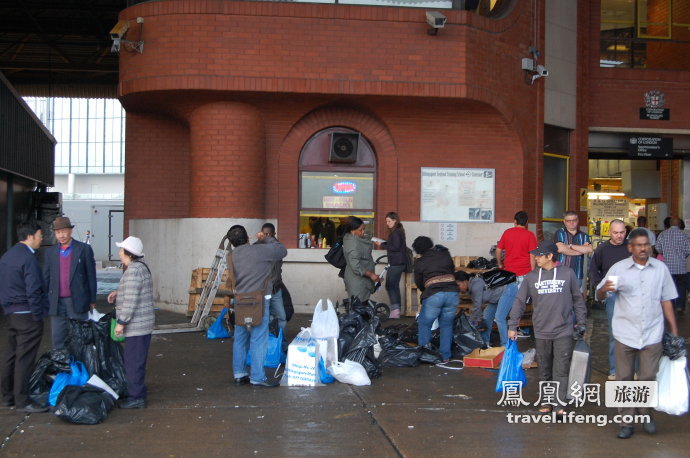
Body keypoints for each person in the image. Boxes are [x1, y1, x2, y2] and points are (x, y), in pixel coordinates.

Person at [596, 228, 679, 439]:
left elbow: (667, 299)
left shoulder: (660, 269)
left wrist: (675, 332)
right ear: (630, 248)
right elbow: (601, 294)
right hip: (625, 333)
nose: (643, 248)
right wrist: (604, 289)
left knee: (648, 377)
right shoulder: (619, 269)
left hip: (652, 333)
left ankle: (646, 414)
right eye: (639, 245)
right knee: (623, 378)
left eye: (647, 245)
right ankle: (626, 422)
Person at [508, 240, 587, 415]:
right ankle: (546, 401)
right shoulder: (531, 277)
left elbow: (578, 300)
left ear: (550, 256)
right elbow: (520, 301)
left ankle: (560, 404)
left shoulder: (568, 274)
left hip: (563, 330)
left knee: (561, 368)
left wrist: (581, 323)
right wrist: (513, 325)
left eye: (539, 255)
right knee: (544, 368)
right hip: (542, 331)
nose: (535, 258)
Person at [0, 221, 50, 413]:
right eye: (39, 235)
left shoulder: (7, 256)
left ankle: (7, 396)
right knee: (25, 358)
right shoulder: (28, 259)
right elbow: (33, 289)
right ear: (29, 236)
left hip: (11, 313)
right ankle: (23, 400)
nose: (41, 238)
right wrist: (38, 314)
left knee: (11, 355)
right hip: (27, 314)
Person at [229, 225, 287, 387]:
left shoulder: (231, 256)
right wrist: (265, 238)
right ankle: (257, 377)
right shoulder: (260, 251)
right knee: (258, 339)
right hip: (259, 300)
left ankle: (239, 373)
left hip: (240, 300)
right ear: (247, 238)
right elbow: (282, 250)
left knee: (240, 338)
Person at [107, 236, 155, 409]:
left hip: (136, 326)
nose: (119, 253)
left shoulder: (134, 271)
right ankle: (137, 389)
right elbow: (133, 290)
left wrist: (121, 322)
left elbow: (132, 300)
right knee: (135, 359)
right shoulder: (139, 267)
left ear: (128, 253)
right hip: (142, 325)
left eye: (121, 250)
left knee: (133, 361)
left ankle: (136, 397)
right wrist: (118, 291)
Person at [43, 216, 97, 350]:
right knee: (58, 339)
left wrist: (92, 299)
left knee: (80, 338)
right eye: (58, 232)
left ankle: (79, 368)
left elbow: (91, 275)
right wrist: (45, 299)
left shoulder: (84, 249)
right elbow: (46, 277)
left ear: (70, 231)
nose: (61, 235)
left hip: (77, 300)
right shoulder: (50, 252)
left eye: (63, 231)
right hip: (57, 302)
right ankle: (62, 367)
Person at [588, 219, 629, 380]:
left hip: (631, 295)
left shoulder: (631, 247)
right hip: (612, 295)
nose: (619, 236)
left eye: (622, 232)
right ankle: (614, 369)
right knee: (615, 333)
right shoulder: (602, 249)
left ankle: (633, 368)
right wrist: (600, 287)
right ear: (609, 232)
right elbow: (593, 270)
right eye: (616, 232)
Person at [493, 211, 537, 346]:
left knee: (508, 303)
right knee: (519, 304)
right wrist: (533, 272)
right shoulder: (530, 235)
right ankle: (515, 329)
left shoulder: (507, 232)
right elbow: (532, 256)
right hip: (524, 274)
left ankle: (510, 332)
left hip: (508, 275)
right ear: (527, 223)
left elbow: (498, 250)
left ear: (515, 221)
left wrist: (500, 263)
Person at [412, 236, 459, 362]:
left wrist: (426, 291)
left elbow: (419, 282)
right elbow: (452, 270)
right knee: (446, 325)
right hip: (452, 293)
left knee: (424, 323)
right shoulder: (445, 254)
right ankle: (445, 356)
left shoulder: (420, 262)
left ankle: (425, 354)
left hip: (434, 294)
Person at [455, 270, 506, 346]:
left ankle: (505, 346)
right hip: (495, 299)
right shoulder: (470, 288)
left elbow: (477, 305)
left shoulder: (475, 285)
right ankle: (485, 344)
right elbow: (477, 307)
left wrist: (471, 323)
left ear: (465, 281)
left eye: (458, 285)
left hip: (506, 293)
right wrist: (477, 322)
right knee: (486, 317)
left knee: (499, 318)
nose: (458, 288)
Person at [374, 212, 407, 319]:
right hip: (399, 262)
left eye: (389, 221)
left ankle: (395, 310)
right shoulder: (398, 231)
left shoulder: (396, 232)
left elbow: (395, 247)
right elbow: (395, 245)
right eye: (386, 221)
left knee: (390, 286)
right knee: (394, 286)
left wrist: (382, 244)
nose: (387, 223)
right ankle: (396, 310)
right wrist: (385, 242)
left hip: (396, 263)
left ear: (395, 220)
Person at [655, 216, 690, 315]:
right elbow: (688, 250)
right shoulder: (684, 235)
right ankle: (680, 306)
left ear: (670, 224)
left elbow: (658, 248)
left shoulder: (663, 234)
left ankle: (671, 305)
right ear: (679, 224)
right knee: (681, 287)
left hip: (667, 267)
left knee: (668, 286)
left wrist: (664, 253)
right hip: (681, 267)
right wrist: (683, 255)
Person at [342, 216, 379, 303]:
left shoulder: (352, 238)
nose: (363, 232)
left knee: (360, 306)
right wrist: (371, 275)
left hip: (359, 280)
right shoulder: (353, 245)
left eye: (364, 229)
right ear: (353, 231)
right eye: (360, 230)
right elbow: (356, 266)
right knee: (358, 307)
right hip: (357, 282)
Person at [259, 223, 287, 330]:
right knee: (264, 317)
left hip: (276, 288)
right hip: (263, 289)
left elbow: (279, 249)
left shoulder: (277, 247)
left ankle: (281, 341)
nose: (266, 237)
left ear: (274, 234)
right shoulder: (257, 246)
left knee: (281, 317)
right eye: (264, 234)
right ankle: (268, 340)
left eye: (268, 235)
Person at [553, 211, 592, 287]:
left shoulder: (584, 236)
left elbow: (589, 249)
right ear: (564, 222)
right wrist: (580, 251)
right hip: (560, 274)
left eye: (574, 220)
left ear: (577, 221)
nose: (571, 223)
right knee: (561, 298)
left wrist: (570, 246)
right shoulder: (560, 233)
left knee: (574, 298)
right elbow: (560, 249)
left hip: (576, 275)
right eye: (568, 221)